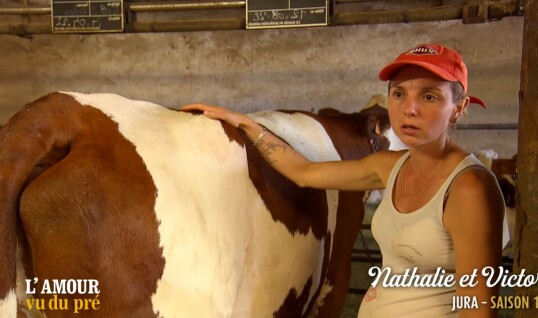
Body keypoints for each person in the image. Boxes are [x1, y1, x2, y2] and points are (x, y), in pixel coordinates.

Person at [181, 43, 505, 318]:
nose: (409, 109)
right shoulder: (389, 167)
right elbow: (304, 173)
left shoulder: (469, 188)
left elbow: (477, 304)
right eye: (398, 94)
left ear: (458, 109)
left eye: (430, 97)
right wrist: (245, 124)